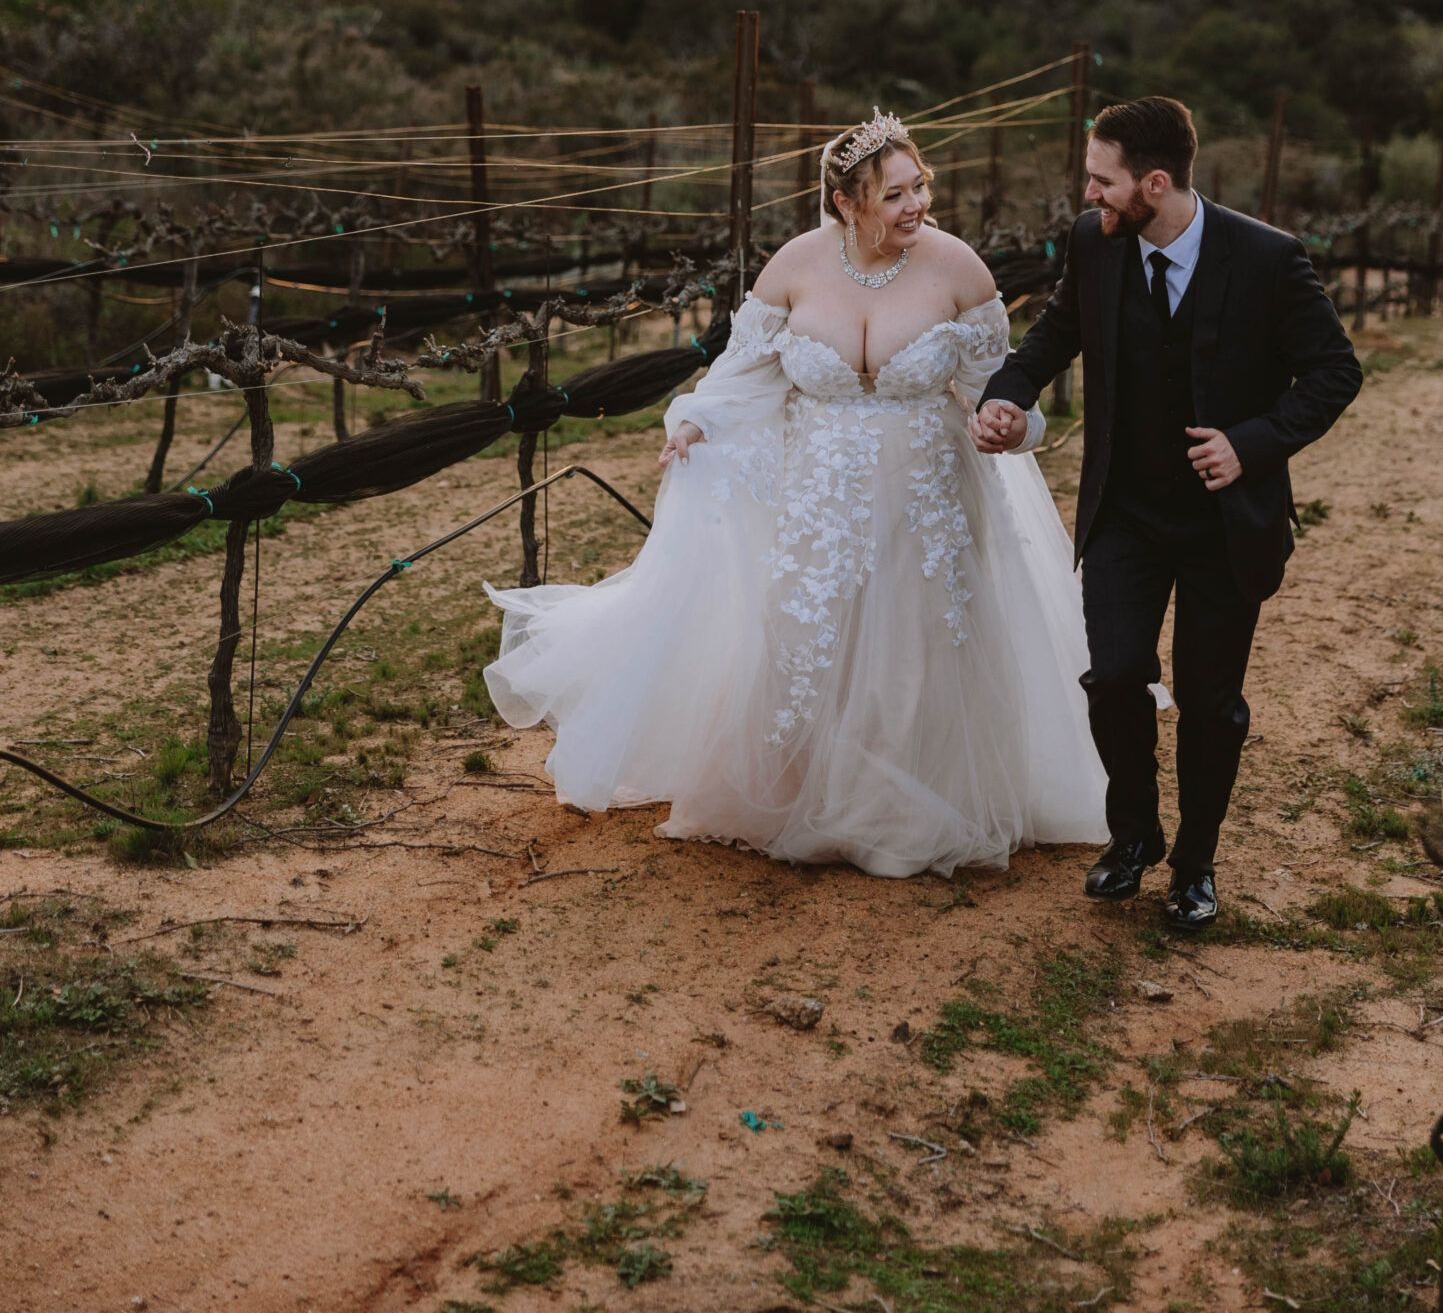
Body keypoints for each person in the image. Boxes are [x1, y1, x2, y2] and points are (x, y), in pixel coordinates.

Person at [483, 113, 1105, 878]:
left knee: (918, 643)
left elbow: (997, 393)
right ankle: (799, 793)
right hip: (818, 493)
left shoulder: (958, 269)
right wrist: (694, 425)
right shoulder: (794, 266)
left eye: (921, 188)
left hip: (929, 493)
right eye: (895, 193)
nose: (916, 206)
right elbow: (742, 376)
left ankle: (907, 810)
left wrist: (1009, 423)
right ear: (846, 201)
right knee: (805, 636)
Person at [972, 95, 1362, 928]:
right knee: (1114, 677)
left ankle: (1195, 862)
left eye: (1101, 181)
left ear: (1154, 182)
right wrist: (1008, 394)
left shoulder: (1267, 259)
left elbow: (1334, 372)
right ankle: (1134, 836)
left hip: (1225, 523)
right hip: (1125, 514)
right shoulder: (1095, 244)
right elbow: (1055, 333)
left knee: (1210, 700)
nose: (1088, 195)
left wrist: (1250, 443)